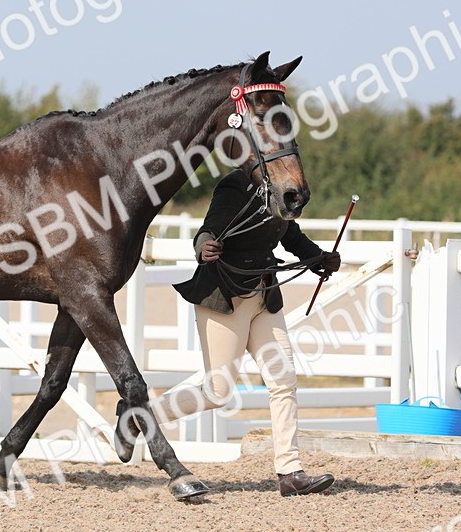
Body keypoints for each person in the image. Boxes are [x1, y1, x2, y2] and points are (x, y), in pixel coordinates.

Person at [112, 168, 340, 496]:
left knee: (284, 380)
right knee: (218, 392)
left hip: (264, 296)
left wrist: (318, 258)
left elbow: (290, 236)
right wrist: (203, 247)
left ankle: (290, 471)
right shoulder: (235, 186)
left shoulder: (279, 190)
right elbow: (208, 230)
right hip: (224, 297)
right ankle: (137, 417)